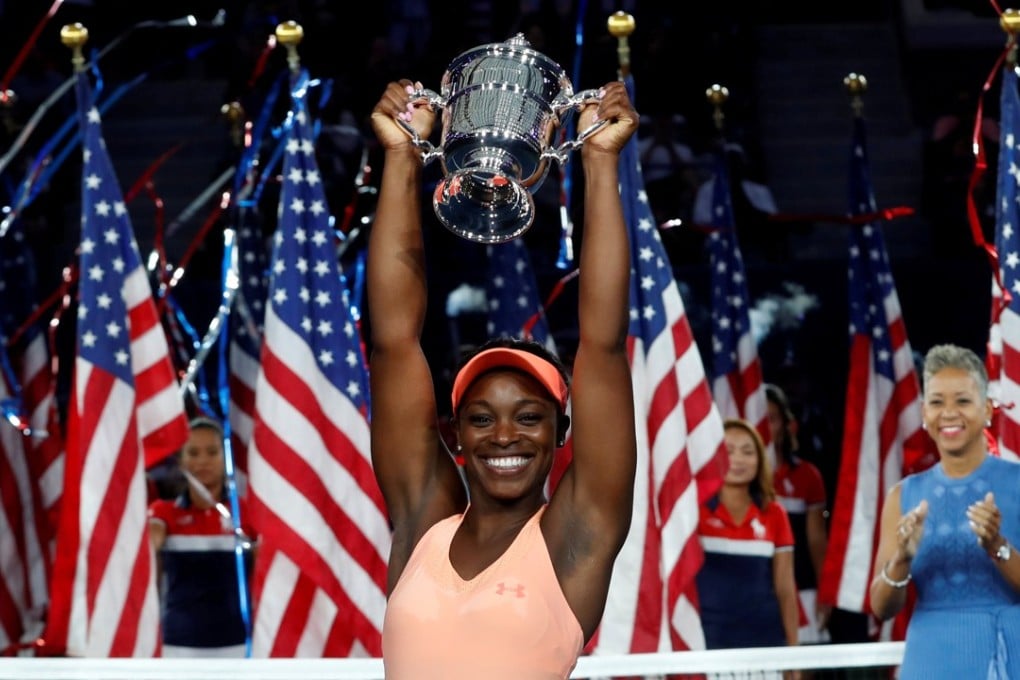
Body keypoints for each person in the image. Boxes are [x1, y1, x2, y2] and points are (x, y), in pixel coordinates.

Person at [367, 78, 638, 679]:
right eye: (482, 418)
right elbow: (392, 346)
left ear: (562, 430)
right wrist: (400, 156)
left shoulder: (575, 535)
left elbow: (604, 347)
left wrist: (599, 160)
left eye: (530, 416)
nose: (504, 435)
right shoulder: (424, 523)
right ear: (456, 435)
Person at [870, 344, 1020, 679]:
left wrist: (997, 545)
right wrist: (902, 560)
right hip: (931, 658)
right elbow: (881, 607)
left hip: (1007, 658)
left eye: (963, 401)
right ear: (924, 414)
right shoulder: (903, 495)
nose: (949, 412)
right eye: (937, 402)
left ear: (987, 410)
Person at [696, 417, 800, 679]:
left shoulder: (775, 513)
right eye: (728, 451)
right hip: (706, 647)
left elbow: (786, 590)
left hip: (765, 648)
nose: (738, 460)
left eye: (747, 451)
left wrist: (793, 657)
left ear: (760, 459)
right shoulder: (692, 511)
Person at [147, 417, 255, 657]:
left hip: (238, 646)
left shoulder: (246, 511)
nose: (203, 461)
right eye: (193, 453)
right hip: (178, 647)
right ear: (181, 461)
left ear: (224, 457)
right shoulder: (164, 512)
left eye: (212, 452)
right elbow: (148, 544)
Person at [766, 383, 831, 646]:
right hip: (758, 594)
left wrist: (824, 592)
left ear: (786, 425)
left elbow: (816, 540)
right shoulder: (737, 478)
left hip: (803, 589)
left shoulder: (807, 475)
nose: (765, 427)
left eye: (771, 419)